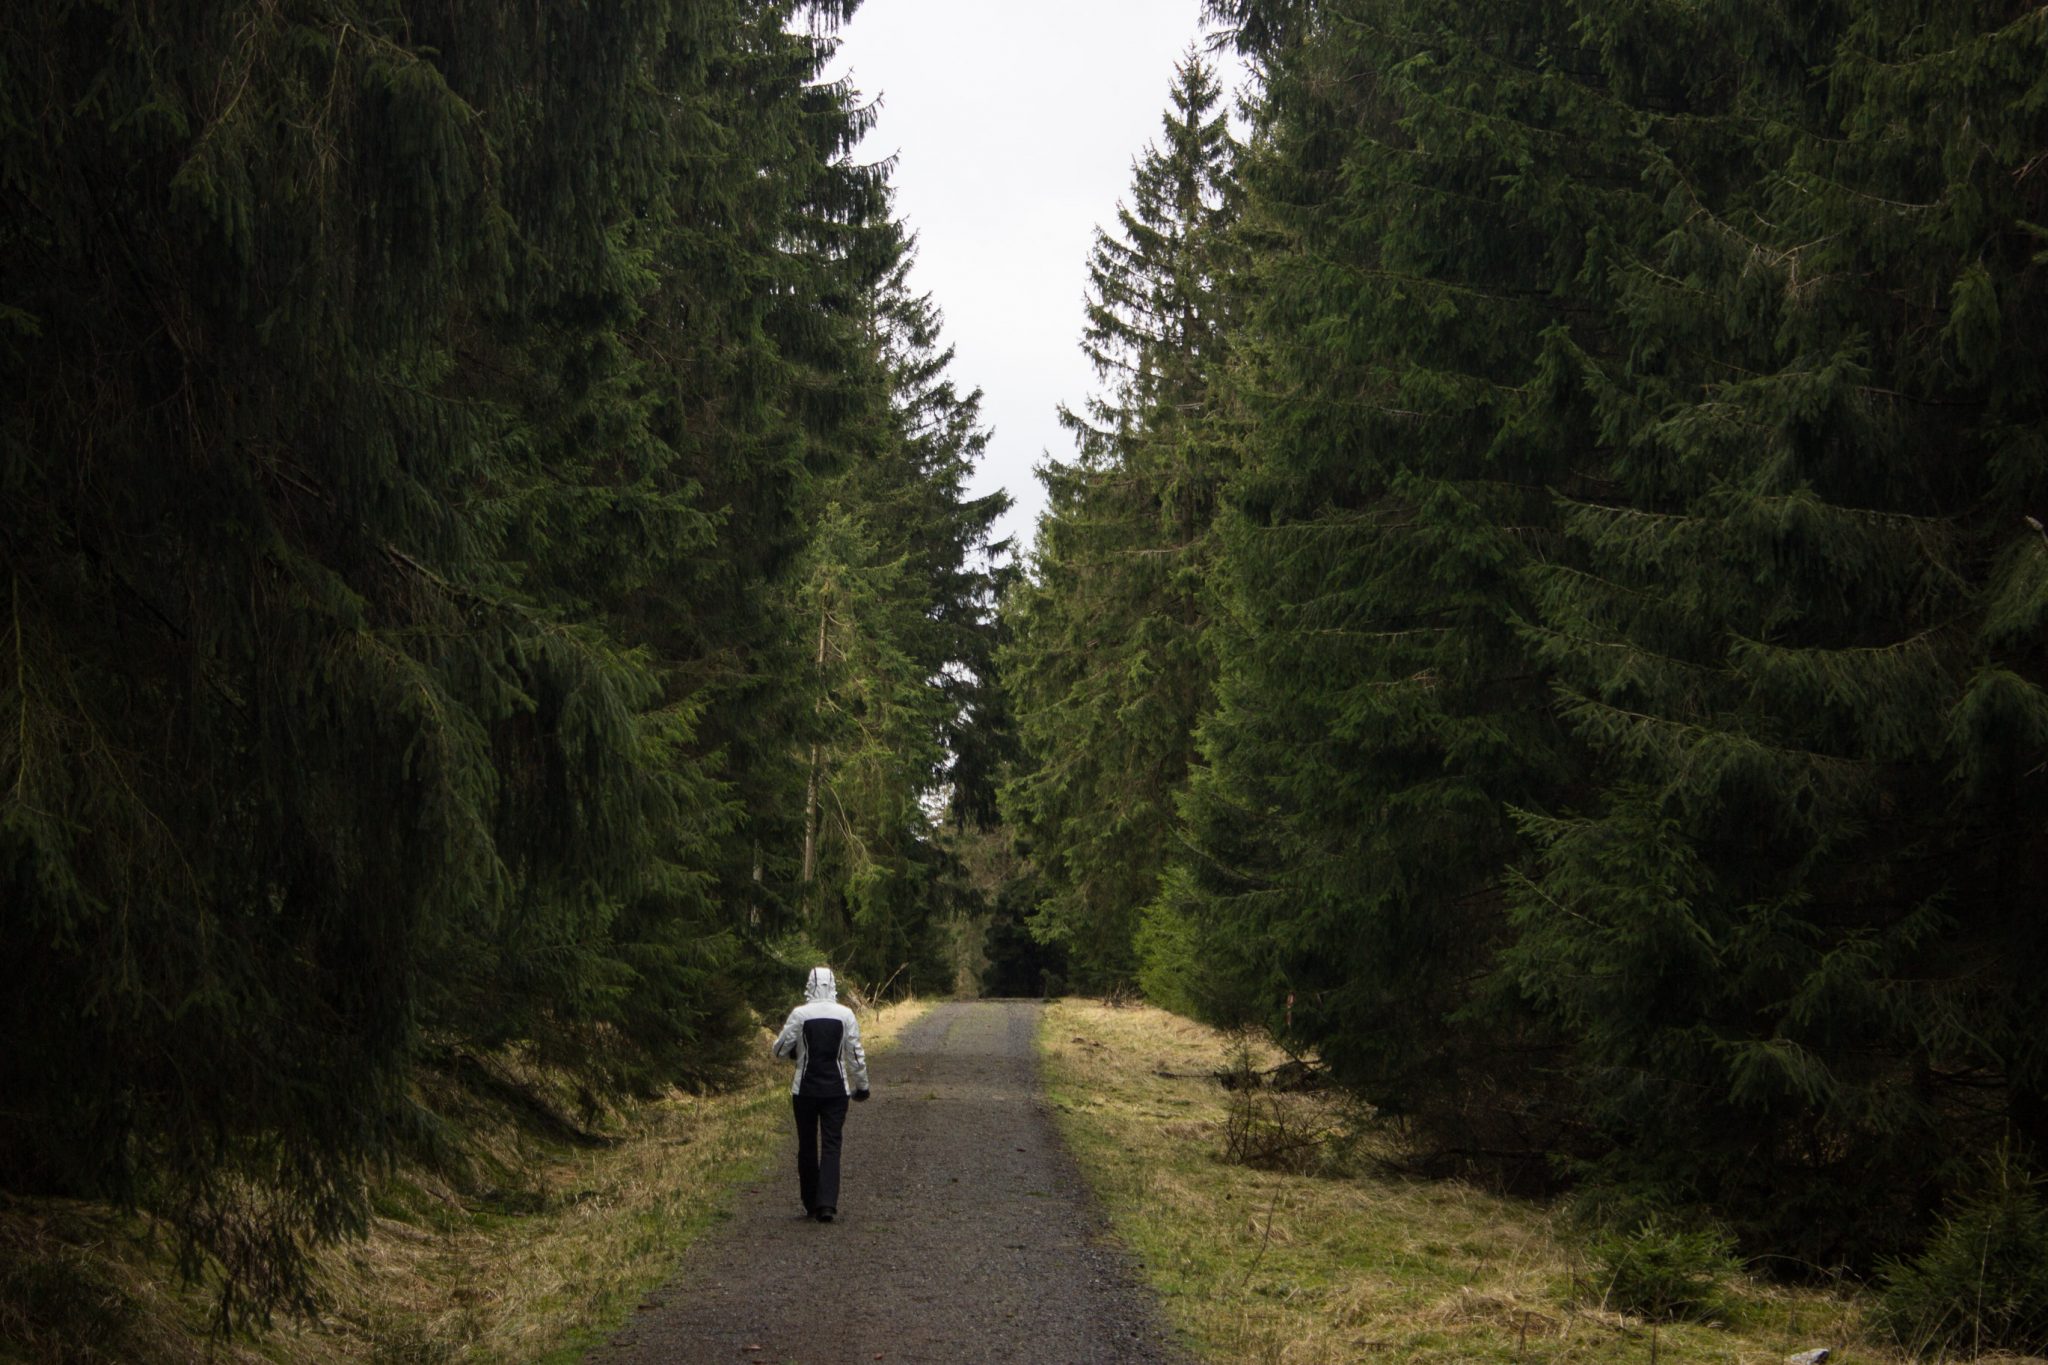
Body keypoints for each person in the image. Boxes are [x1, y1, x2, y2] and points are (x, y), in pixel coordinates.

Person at [771, 966, 870, 1222]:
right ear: (833, 985)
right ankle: (827, 1203)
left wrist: (797, 1053)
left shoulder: (800, 1014)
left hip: (804, 1090)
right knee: (831, 1144)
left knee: (806, 1144)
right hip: (836, 1090)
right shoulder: (845, 1015)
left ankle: (810, 1201)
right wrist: (862, 1086)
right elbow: (855, 1055)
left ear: (809, 986)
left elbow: (779, 1049)